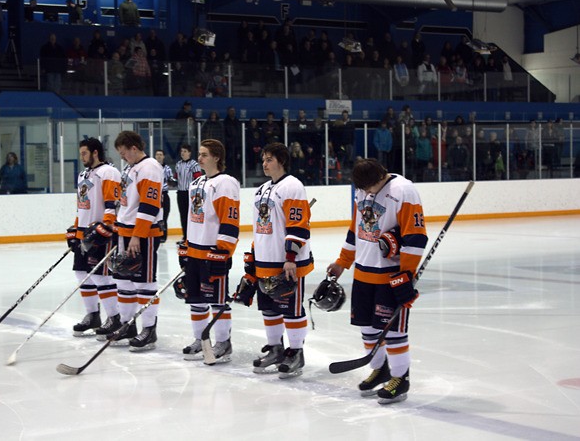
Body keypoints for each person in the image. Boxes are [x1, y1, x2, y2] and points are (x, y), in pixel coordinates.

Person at [327, 158, 428, 404]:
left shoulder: (404, 191)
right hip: (363, 273)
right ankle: (380, 369)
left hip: (390, 277)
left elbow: (416, 237)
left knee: (392, 331)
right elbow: (356, 229)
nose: (365, 193)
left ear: (379, 178)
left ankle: (400, 378)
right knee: (368, 328)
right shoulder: (362, 191)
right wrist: (343, 261)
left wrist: (406, 274)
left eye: (368, 188)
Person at [234, 142, 313, 378]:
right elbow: (260, 228)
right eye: (263, 159)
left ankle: (296, 352)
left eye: (269, 159)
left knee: (291, 309)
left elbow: (298, 225)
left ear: (281, 161)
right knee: (269, 309)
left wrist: (290, 257)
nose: (264, 163)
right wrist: (252, 259)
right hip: (265, 261)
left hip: (287, 263)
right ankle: (276, 349)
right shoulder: (261, 190)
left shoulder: (293, 187)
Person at [178, 139, 240, 363]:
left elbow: (230, 219)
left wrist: (223, 250)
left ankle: (223, 342)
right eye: (199, 154)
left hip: (213, 252)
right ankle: (200, 339)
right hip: (195, 251)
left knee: (217, 300)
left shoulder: (226, 183)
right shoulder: (196, 183)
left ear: (216, 158)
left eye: (204, 155)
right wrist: (186, 245)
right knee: (195, 299)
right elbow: (191, 218)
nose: (199, 158)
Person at [113, 131, 164, 350]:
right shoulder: (131, 168)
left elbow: (149, 205)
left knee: (144, 282)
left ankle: (149, 330)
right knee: (123, 280)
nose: (122, 157)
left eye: (124, 152)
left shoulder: (149, 167)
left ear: (134, 148)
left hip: (142, 234)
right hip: (125, 232)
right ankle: (128, 325)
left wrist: (137, 234)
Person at [68, 138, 122, 340]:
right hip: (84, 232)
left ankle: (114, 317)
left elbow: (113, 204)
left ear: (95, 152)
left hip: (100, 233)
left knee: (101, 277)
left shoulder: (109, 172)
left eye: (84, 153)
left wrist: (106, 226)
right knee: (81, 274)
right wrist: (75, 228)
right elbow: (82, 205)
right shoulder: (84, 174)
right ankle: (92, 316)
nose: (81, 156)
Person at [174, 144, 202, 244]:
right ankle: (185, 236)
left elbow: (198, 179)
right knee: (183, 215)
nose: (183, 153)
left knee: (191, 216)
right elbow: (176, 178)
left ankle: (191, 237)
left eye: (185, 151)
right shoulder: (178, 164)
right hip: (180, 193)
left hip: (190, 194)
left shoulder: (194, 165)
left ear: (189, 153)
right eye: (181, 151)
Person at [154, 149, 174, 243]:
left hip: (164, 195)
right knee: (156, 216)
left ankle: (163, 236)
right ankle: (156, 234)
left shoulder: (167, 169)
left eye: (160, 154)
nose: (158, 156)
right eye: (157, 154)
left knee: (164, 217)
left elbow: (171, 181)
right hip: (155, 194)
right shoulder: (151, 168)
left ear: (163, 156)